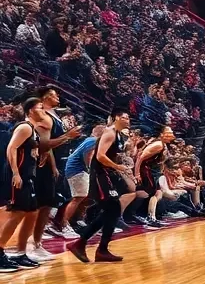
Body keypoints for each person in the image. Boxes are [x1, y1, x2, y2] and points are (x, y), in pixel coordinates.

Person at [67, 108, 138, 264]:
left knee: (112, 210)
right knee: (112, 209)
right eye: (124, 117)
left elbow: (110, 153)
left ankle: (90, 246)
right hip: (100, 175)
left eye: (128, 117)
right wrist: (118, 167)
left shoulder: (118, 135)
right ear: (115, 118)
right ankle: (91, 246)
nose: (128, 120)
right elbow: (100, 156)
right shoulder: (110, 132)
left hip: (106, 174)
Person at [31, 86, 81, 259]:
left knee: (47, 204)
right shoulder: (43, 115)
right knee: (41, 205)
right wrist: (68, 136)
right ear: (45, 98)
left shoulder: (54, 115)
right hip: (41, 166)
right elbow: (44, 145)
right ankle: (34, 244)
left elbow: (50, 147)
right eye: (54, 95)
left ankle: (37, 243)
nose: (58, 96)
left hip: (55, 163)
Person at [0, 97, 49, 270]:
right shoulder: (24, 127)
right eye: (40, 108)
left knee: (32, 212)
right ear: (30, 111)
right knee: (17, 213)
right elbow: (11, 148)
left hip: (28, 176)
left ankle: (20, 253)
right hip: (18, 176)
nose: (44, 111)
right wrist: (15, 173)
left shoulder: (33, 130)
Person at [135, 125, 175, 228]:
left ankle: (151, 217)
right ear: (162, 134)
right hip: (145, 169)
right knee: (151, 192)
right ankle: (134, 213)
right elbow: (140, 157)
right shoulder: (158, 144)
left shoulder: (163, 145)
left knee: (158, 193)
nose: (171, 133)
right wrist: (137, 173)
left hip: (150, 170)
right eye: (169, 131)